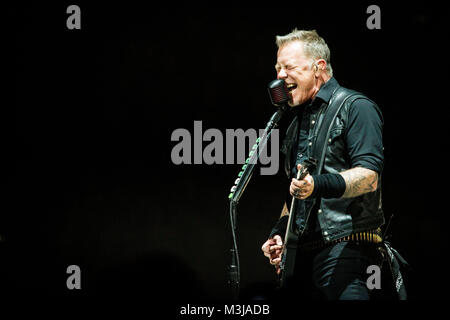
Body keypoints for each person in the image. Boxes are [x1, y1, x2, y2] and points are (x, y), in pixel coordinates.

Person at [261, 28, 388, 300]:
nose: (280, 76)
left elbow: (369, 176)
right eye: (277, 68)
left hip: (349, 251)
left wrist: (316, 184)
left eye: (288, 67)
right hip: (303, 258)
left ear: (318, 67)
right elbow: (295, 193)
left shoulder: (356, 107)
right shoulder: (296, 123)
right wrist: (279, 233)